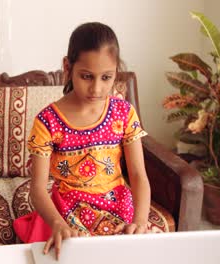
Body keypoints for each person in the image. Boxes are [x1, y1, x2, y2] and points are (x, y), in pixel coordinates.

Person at [13, 22, 151, 260]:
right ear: (67, 67)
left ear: (116, 71)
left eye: (106, 77)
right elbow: (37, 188)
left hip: (117, 205)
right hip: (66, 210)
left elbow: (138, 175)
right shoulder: (48, 121)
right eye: (86, 76)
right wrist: (56, 222)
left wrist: (140, 221)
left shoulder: (124, 113)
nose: (96, 88)